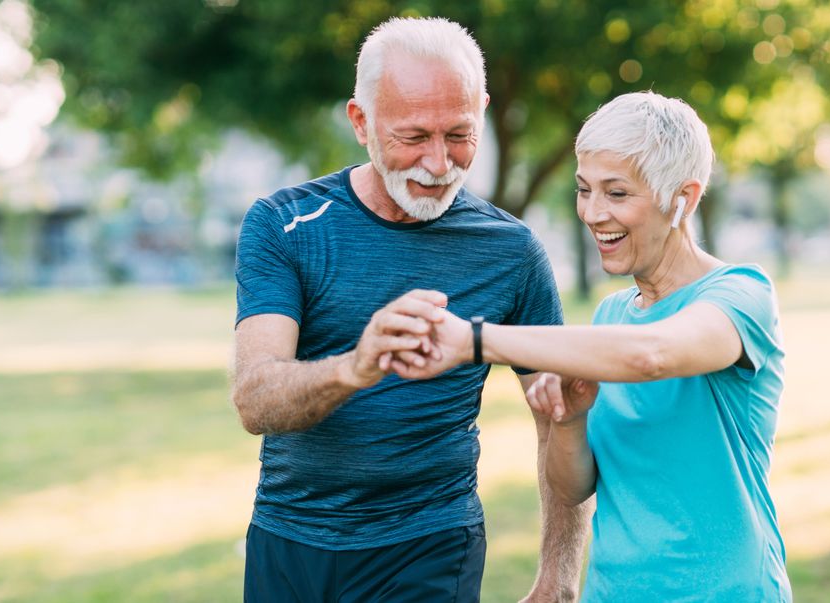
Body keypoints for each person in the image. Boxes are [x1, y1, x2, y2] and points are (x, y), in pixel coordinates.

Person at [230, 16, 591, 603]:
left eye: (459, 134)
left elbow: (557, 413)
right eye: (413, 136)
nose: (439, 163)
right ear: (361, 123)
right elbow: (255, 399)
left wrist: (560, 574)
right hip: (291, 539)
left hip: (432, 543)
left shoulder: (512, 251)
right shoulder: (283, 225)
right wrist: (357, 365)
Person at [385, 91, 792, 601]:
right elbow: (575, 487)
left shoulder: (741, 296)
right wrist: (570, 419)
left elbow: (653, 355)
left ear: (682, 198)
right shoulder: (611, 317)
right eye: (584, 190)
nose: (593, 213)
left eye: (617, 194)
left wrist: (475, 340)